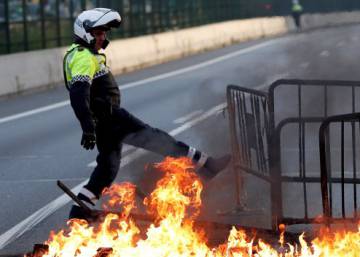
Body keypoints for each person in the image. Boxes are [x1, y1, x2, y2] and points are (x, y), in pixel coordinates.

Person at [63, 8, 231, 220]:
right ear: (85, 32)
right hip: (111, 118)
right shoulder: (83, 58)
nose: (102, 37)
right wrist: (87, 127)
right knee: (159, 140)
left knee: (107, 168)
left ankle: (79, 210)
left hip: (105, 121)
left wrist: (90, 125)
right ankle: (207, 165)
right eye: (98, 33)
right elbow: (79, 93)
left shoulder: (81, 54)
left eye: (104, 33)